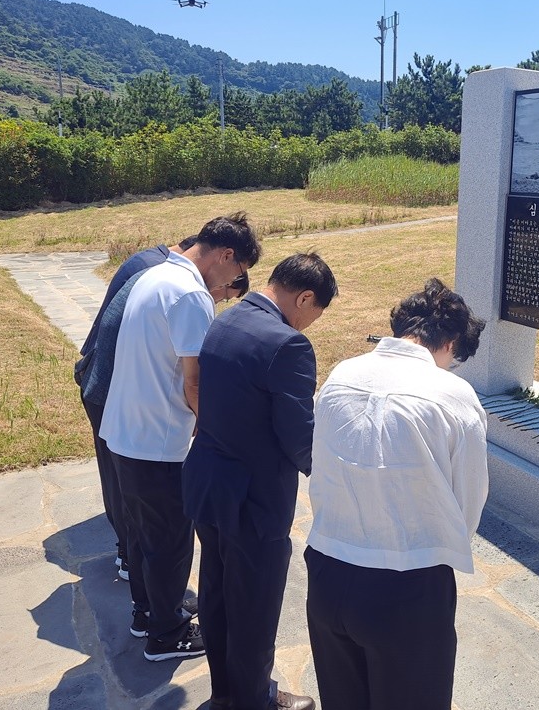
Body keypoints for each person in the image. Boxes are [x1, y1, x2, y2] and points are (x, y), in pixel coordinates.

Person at [304, 278, 488, 710]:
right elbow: (468, 502)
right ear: (451, 342)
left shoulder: (342, 372)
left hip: (327, 567)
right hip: (409, 582)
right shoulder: (452, 394)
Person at [100, 213, 261, 662]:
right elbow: (195, 383)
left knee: (140, 536)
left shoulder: (156, 275)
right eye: (238, 273)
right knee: (170, 542)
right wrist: (218, 434)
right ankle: (167, 634)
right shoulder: (191, 293)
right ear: (227, 256)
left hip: (124, 429)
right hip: (156, 440)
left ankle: (146, 612)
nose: (235, 282)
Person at [184, 253, 337, 710]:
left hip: (209, 482)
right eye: (314, 313)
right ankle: (253, 701)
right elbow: (298, 436)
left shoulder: (225, 321)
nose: (309, 325)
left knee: (216, 594)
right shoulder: (287, 344)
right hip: (252, 497)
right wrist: (333, 477)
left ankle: (225, 694)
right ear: (304, 297)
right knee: (253, 605)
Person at [75, 235, 196, 582]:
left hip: (103, 380)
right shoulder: (167, 279)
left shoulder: (152, 265)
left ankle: (130, 560)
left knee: (122, 483)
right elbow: (189, 376)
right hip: (107, 386)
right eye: (224, 294)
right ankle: (132, 563)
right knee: (135, 494)